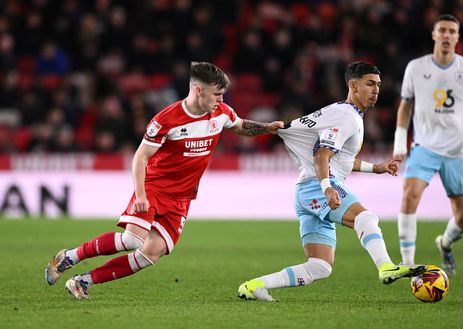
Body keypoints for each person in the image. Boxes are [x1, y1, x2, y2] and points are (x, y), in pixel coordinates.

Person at [44, 62, 284, 299]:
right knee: (131, 239)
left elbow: (241, 126)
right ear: (198, 90)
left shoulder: (221, 112)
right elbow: (140, 157)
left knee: (151, 253)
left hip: (182, 196)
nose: (221, 100)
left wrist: (268, 128)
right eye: (217, 94)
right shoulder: (167, 120)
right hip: (155, 188)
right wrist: (140, 195)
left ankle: (83, 281)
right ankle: (69, 257)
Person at [238, 61, 427, 302]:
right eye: (370, 84)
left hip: (306, 190)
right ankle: (386, 266)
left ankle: (254, 285)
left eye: (378, 85)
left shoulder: (345, 114)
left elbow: (341, 159)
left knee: (320, 266)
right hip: (317, 188)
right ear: (353, 85)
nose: (376, 90)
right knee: (365, 218)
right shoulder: (346, 117)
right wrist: (327, 188)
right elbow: (322, 154)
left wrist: (375, 168)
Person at [392, 14, 463, 276]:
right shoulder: (416, 68)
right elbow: (405, 106)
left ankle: (446, 243)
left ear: (458, 38)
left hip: (457, 151)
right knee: (409, 196)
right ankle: (407, 264)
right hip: (424, 147)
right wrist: (399, 143)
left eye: (452, 31)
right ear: (434, 35)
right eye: (443, 30)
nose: (447, 35)